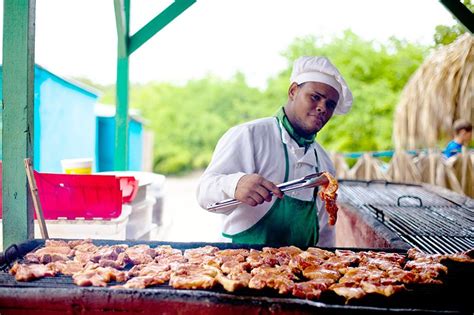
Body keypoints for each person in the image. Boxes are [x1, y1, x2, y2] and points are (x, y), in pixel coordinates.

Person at [196, 56, 353, 248]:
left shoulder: (324, 164)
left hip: (301, 273)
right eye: (315, 97)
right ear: (293, 91)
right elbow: (204, 192)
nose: (322, 107)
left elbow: (326, 233)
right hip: (242, 268)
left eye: (330, 105)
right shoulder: (250, 135)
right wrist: (234, 184)